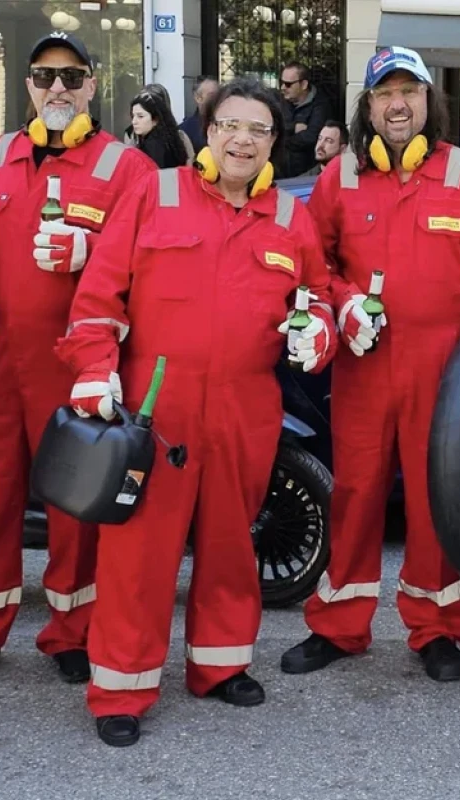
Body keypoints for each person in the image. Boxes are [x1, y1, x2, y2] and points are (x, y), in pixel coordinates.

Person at [58, 76, 337, 747]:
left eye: (258, 130)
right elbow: (98, 297)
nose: (242, 140)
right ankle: (120, 688)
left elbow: (319, 298)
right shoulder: (154, 193)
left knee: (230, 543)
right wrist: (95, 371)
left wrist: (319, 333)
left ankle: (219, 665)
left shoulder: (291, 219)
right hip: (159, 406)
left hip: (247, 405)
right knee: (139, 553)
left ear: (275, 142)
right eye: (230, 126)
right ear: (209, 132)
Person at [279, 46, 460, 682]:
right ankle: (338, 625)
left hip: (445, 371)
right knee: (355, 495)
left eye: (409, 91)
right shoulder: (342, 178)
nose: (397, 104)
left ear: (428, 103)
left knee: (439, 503)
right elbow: (310, 265)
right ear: (369, 107)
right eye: (385, 94)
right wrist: (346, 302)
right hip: (363, 367)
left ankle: (436, 628)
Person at [0, 31, 157, 690]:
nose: (57, 89)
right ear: (27, 86)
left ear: (93, 87)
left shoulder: (125, 169)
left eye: (72, 78)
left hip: (76, 364)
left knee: (77, 507)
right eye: (45, 76)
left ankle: (72, 631)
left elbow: (152, 268)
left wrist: (91, 249)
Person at [278, 62, 333, 177]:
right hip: (279, 174)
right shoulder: (279, 102)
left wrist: (282, 140)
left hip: (307, 175)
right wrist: (293, 128)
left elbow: (312, 137)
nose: (283, 88)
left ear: (303, 84)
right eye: (281, 83)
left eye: (288, 84)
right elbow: (272, 129)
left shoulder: (321, 105)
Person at [126, 90, 190, 169]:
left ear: (155, 120)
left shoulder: (154, 146)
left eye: (140, 116)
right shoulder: (171, 139)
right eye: (133, 116)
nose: (134, 121)